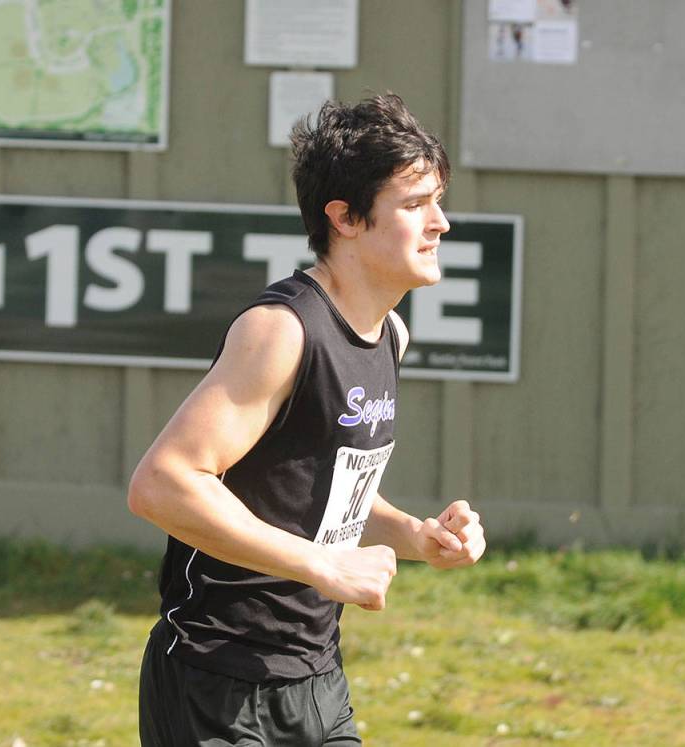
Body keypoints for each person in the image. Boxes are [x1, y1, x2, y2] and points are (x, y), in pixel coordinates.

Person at [128, 93, 486, 746]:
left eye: (438, 201)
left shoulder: (389, 335)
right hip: (217, 679)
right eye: (415, 204)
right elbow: (163, 482)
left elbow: (321, 487)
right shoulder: (282, 331)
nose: (441, 224)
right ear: (345, 218)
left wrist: (420, 534)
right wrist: (322, 566)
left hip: (317, 679)